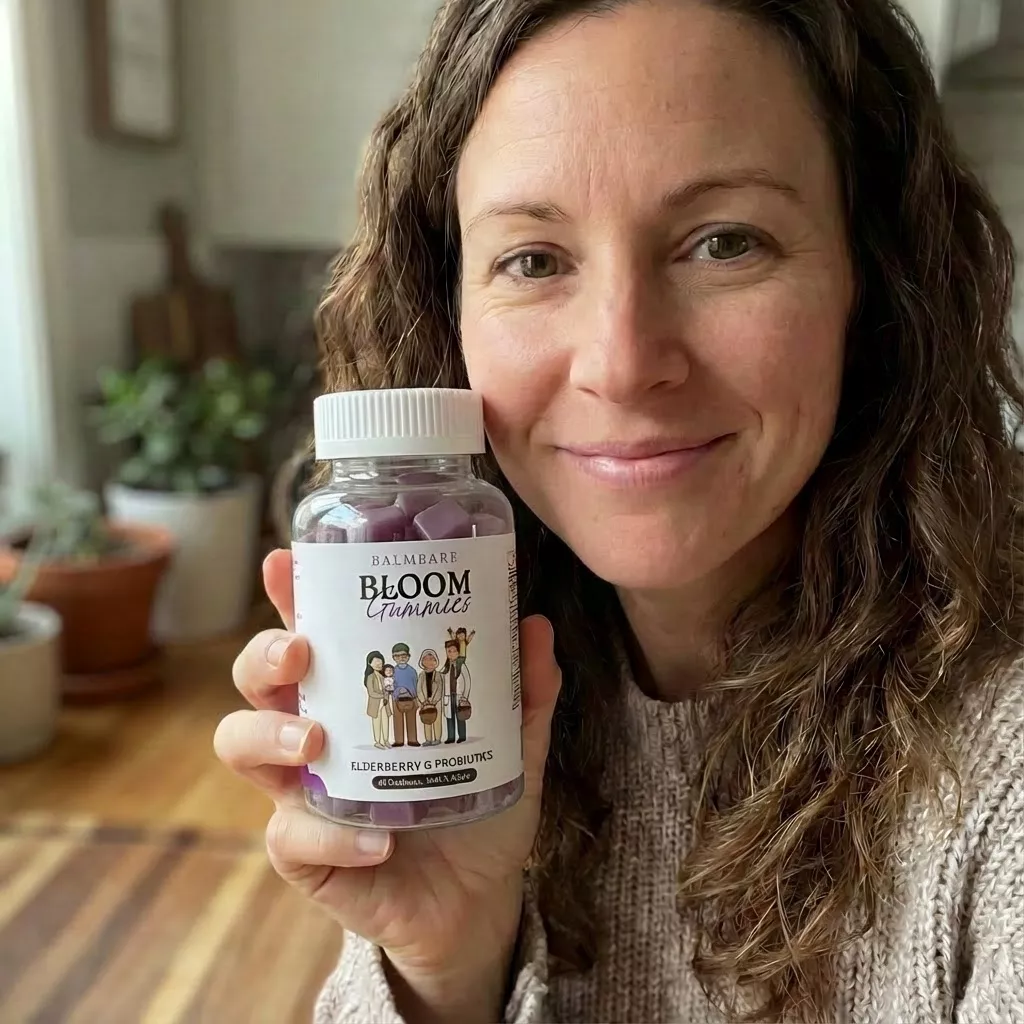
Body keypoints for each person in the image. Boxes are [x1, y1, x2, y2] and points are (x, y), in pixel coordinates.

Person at [214, 1, 1024, 1021]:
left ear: (875, 282)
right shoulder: (474, 663)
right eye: (534, 260)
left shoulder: (1001, 769)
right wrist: (444, 967)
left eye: (725, 241)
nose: (621, 364)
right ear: (448, 312)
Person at [440, 639, 472, 745]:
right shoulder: (445, 667)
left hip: (459, 695)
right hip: (448, 696)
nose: (452, 654)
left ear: (458, 652)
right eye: (449, 651)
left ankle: (462, 736)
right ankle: (451, 736)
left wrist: (465, 696)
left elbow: (467, 681)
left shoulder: (461, 665)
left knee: (460, 715)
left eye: (454, 651)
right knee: (450, 716)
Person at [390, 643, 420, 747]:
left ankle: (412, 739)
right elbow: (391, 685)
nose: (401, 658)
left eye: (404, 655)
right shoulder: (393, 671)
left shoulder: (412, 671)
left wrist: (415, 697)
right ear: (393, 657)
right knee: (397, 719)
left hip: (411, 698)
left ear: (408, 656)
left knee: (411, 718)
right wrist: (397, 692)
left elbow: (416, 684)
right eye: (397, 656)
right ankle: (399, 740)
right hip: (396, 698)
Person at [361, 651, 389, 750]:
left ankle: (386, 740)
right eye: (376, 662)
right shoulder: (370, 677)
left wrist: (386, 695)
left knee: (386, 721)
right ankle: (378, 741)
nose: (379, 664)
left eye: (380, 662)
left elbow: (387, 689)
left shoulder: (383, 676)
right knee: (377, 722)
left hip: (384, 703)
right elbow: (371, 692)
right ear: (370, 663)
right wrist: (382, 695)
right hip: (376, 703)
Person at [416, 648, 444, 746]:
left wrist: (434, 700)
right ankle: (428, 739)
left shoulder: (438, 675)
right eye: (426, 660)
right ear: (422, 662)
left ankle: (437, 738)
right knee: (427, 719)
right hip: (424, 703)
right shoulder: (421, 675)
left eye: (432, 659)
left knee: (437, 720)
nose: (429, 662)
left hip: (436, 702)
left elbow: (440, 688)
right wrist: (424, 701)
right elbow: (419, 689)